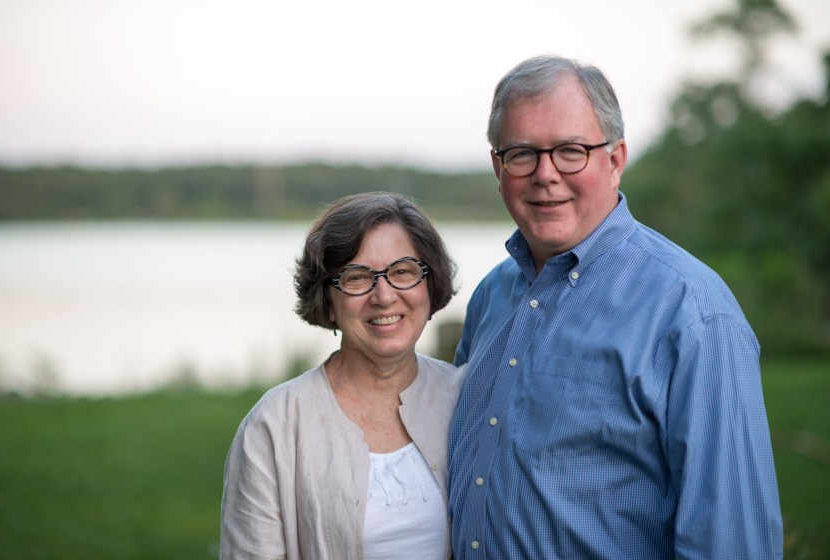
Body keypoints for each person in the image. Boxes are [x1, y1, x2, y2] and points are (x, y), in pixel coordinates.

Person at [448, 55, 783, 559]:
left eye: (570, 151)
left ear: (615, 159)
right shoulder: (492, 296)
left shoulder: (691, 313)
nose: (545, 175)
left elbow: (732, 542)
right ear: (498, 168)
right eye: (522, 153)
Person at [220, 192, 463, 559]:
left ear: (429, 285)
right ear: (328, 302)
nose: (384, 296)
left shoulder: (467, 397)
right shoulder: (277, 423)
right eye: (356, 278)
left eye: (402, 271)